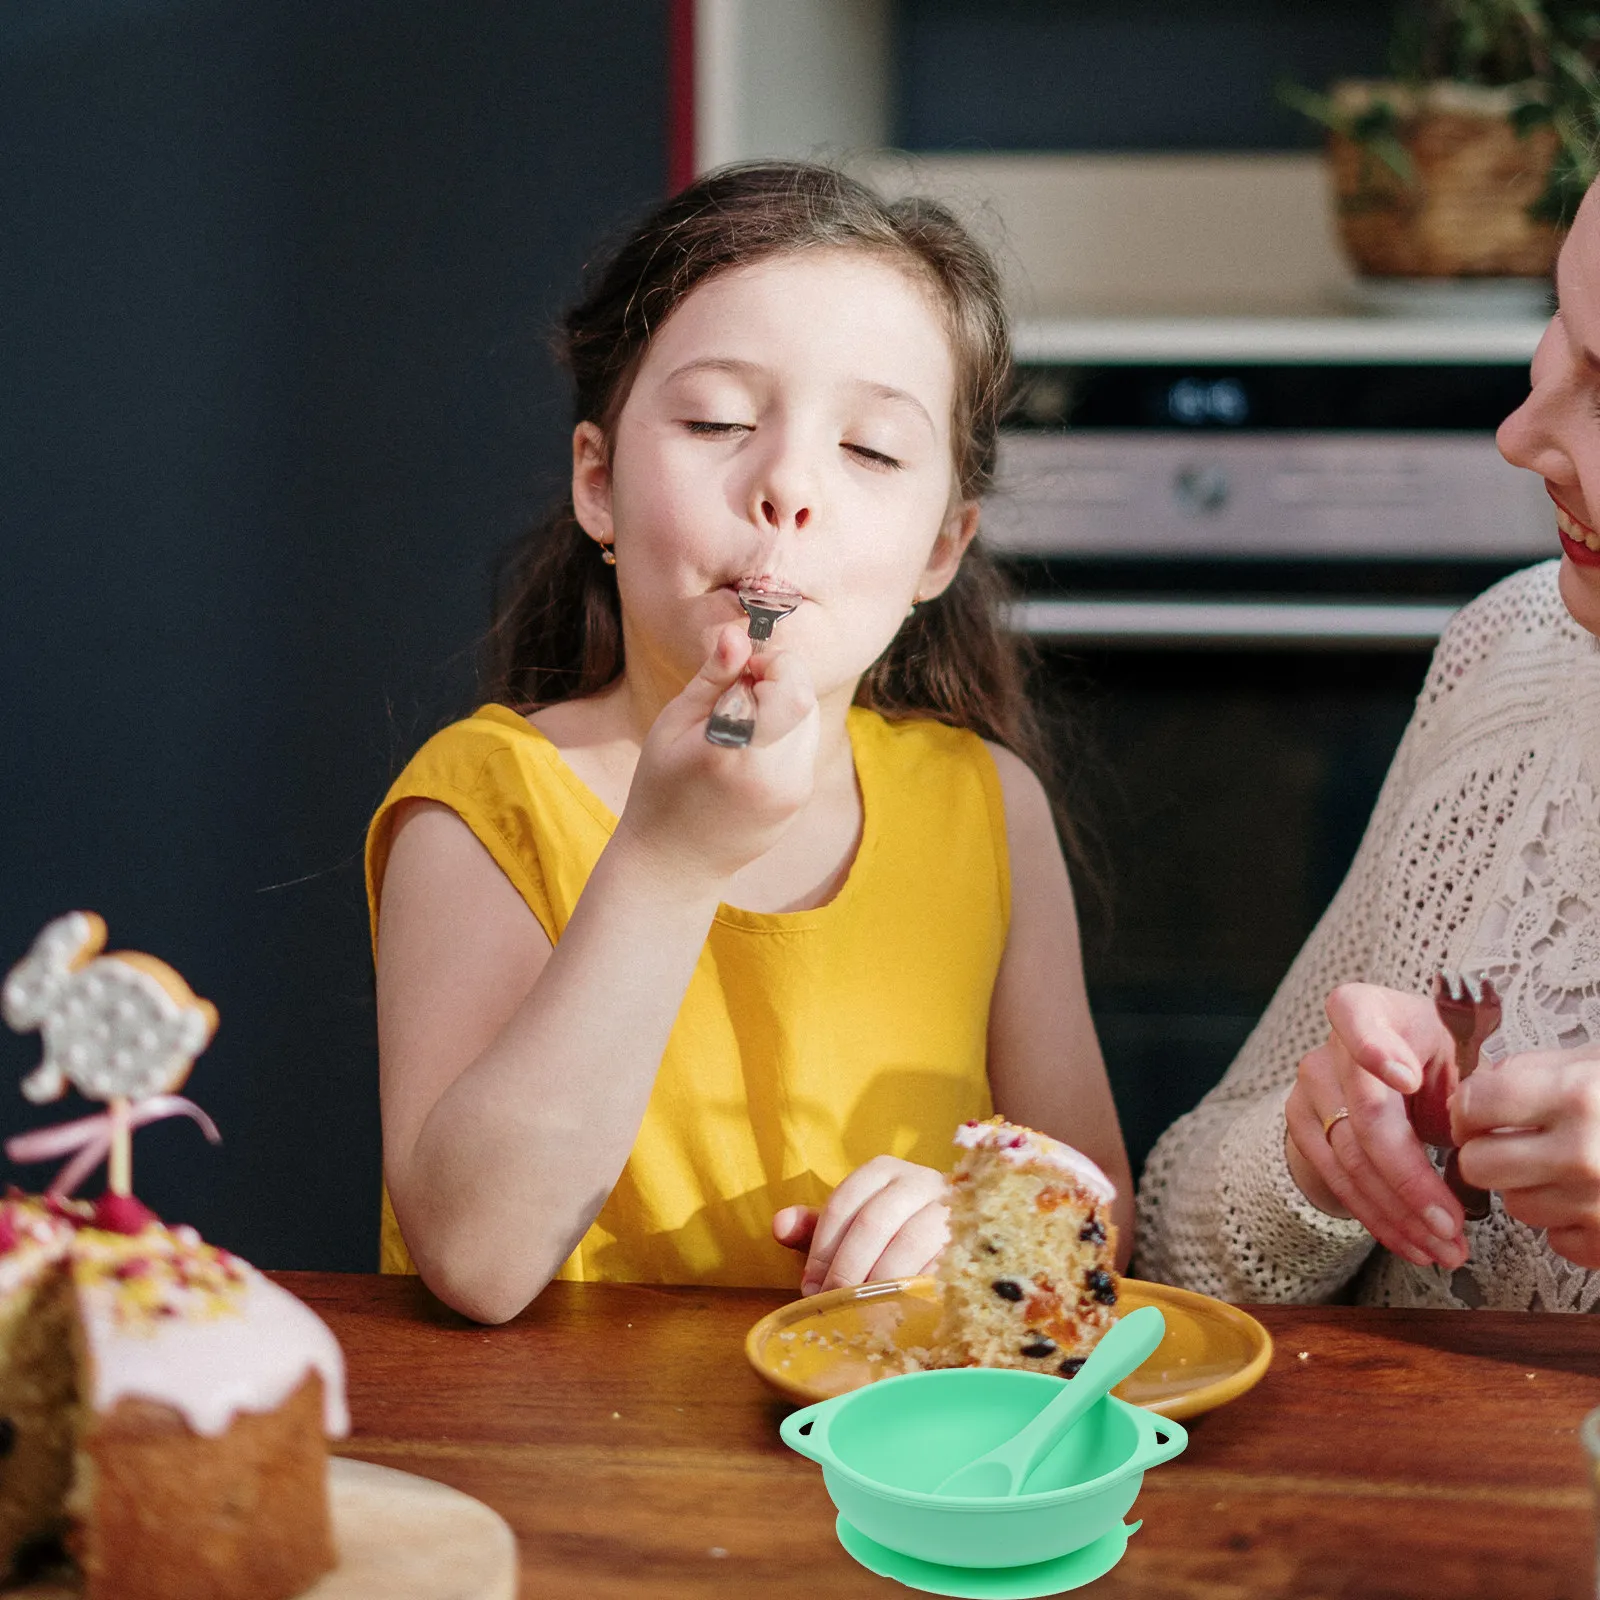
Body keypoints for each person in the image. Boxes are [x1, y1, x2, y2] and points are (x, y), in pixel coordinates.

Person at [368, 162, 1133, 1324]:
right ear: (598, 484)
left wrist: (977, 1233)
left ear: (942, 545)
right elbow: (476, 1256)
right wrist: (669, 861)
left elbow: (1094, 1218)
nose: (785, 486)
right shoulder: (482, 807)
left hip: (907, 1480)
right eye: (720, 420)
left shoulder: (987, 807)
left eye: (870, 450)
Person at [1136, 179, 1600, 1311]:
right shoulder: (1508, 655)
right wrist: (1314, 1160)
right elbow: (1171, 1241)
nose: (1521, 433)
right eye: (1562, 325)